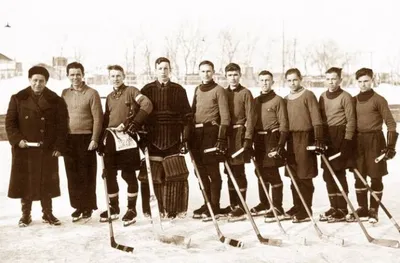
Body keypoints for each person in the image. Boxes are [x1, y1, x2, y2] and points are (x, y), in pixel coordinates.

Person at [6, 66, 68, 227]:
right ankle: (25, 215)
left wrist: (59, 146)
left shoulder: (55, 100)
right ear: (29, 80)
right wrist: (17, 140)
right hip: (24, 149)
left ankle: (47, 213)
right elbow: (10, 124)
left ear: (46, 82)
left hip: (47, 149)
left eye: (41, 81)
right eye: (35, 80)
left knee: (46, 182)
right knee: (25, 182)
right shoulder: (18, 98)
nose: (38, 84)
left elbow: (62, 126)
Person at [99, 65, 153, 226]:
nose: (115, 78)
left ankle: (131, 209)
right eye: (113, 76)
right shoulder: (109, 97)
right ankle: (114, 208)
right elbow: (106, 119)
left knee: (128, 174)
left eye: (118, 75)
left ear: (124, 76)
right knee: (109, 174)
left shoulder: (131, 91)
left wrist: (135, 123)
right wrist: (101, 140)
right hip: (111, 137)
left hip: (127, 138)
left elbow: (147, 105)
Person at [140, 57, 192, 219]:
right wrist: (142, 141)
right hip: (153, 139)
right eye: (160, 68)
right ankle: (152, 210)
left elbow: (187, 117)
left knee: (175, 174)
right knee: (153, 175)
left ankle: (173, 210)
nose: (163, 71)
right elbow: (139, 117)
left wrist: (185, 140)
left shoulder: (179, 90)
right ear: (155, 70)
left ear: (170, 70)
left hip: (173, 138)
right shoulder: (147, 90)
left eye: (166, 68)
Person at [346, 68, 397, 224]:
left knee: (375, 176)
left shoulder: (378, 100)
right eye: (360, 82)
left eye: (366, 81)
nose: (363, 84)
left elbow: (391, 124)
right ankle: (362, 208)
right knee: (359, 176)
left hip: (375, 140)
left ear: (372, 81)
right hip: (357, 141)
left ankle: (373, 210)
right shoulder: (353, 100)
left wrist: (390, 146)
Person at [62, 62, 103, 222]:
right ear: (67, 76)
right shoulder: (65, 93)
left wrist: (94, 139)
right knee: (72, 174)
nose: (75, 77)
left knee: (86, 174)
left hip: (86, 138)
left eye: (78, 74)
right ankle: (77, 206)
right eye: (72, 74)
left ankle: (88, 206)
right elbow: (62, 116)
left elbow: (98, 118)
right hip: (69, 139)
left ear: (83, 75)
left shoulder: (92, 93)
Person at [190, 60, 230, 221]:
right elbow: (192, 112)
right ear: (199, 73)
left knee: (213, 171)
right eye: (202, 71)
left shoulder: (219, 90)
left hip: (211, 132)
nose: (205, 74)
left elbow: (225, 117)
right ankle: (207, 202)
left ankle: (215, 205)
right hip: (197, 134)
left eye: (208, 71)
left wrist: (221, 137)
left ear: (213, 72)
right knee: (200, 172)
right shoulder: (197, 89)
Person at [284, 68, 325, 223]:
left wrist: (318, 138)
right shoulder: (286, 98)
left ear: (300, 79)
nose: (292, 83)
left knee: (304, 175)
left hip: (305, 137)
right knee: (293, 176)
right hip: (291, 138)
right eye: (289, 80)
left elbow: (316, 118)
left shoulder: (308, 95)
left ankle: (306, 210)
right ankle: (297, 206)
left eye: (295, 79)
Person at [251, 70, 290, 222]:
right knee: (260, 171)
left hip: (272, 137)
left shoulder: (277, 100)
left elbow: (284, 124)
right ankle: (264, 203)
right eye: (262, 80)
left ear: (272, 82)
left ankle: (278, 206)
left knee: (272, 171)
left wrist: (280, 144)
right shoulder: (256, 101)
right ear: (258, 82)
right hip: (258, 138)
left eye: (267, 80)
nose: (265, 83)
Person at [318, 67, 356, 223]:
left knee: (339, 173)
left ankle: (342, 208)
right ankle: (333, 206)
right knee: (327, 174)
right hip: (327, 137)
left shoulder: (346, 97)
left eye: (334, 78)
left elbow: (351, 121)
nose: (331, 81)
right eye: (328, 78)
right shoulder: (322, 96)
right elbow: (319, 119)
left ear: (340, 80)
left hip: (340, 136)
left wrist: (347, 141)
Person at [219, 63, 255, 222]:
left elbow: (252, 118)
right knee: (228, 171)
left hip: (239, 134)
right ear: (225, 77)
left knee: (238, 170)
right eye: (229, 75)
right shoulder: (222, 93)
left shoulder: (245, 93)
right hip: (226, 134)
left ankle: (241, 205)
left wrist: (248, 137)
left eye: (235, 75)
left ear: (240, 75)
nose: (233, 78)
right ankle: (233, 204)